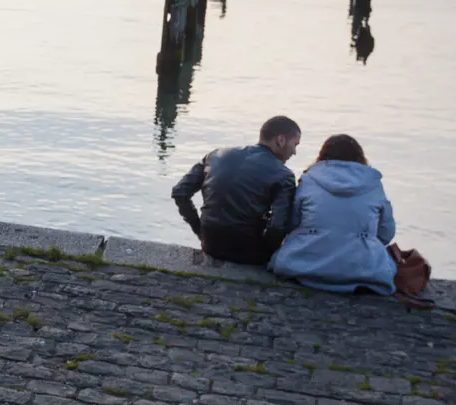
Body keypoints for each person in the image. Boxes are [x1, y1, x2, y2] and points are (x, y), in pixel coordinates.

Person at [268, 134, 397, 294]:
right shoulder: (373, 184)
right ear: (360, 157)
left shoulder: (309, 179)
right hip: (363, 270)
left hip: (303, 264)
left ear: (322, 155)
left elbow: (292, 224)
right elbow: (387, 232)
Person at [170, 115, 301, 265]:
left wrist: (200, 230)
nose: (294, 152)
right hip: (248, 251)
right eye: (295, 145)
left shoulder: (216, 155)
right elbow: (277, 226)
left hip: (210, 243)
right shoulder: (283, 175)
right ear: (281, 140)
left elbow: (180, 192)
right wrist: (269, 253)